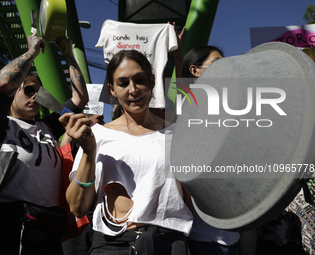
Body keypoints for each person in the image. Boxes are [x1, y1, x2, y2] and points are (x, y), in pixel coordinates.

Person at [66, 50, 193, 254]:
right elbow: (78, 207)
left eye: (140, 80)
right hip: (111, 245)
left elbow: (195, 196)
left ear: (152, 82)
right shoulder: (97, 136)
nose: (133, 90)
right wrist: (89, 152)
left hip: (169, 244)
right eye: (123, 83)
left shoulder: (178, 135)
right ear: (112, 89)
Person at [0, 33, 88, 254]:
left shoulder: (46, 127)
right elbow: (4, 82)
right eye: (28, 90)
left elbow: (80, 98)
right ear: (13, 93)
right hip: (5, 229)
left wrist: (69, 56)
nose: (35, 97)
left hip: (47, 227)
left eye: (38, 92)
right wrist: (32, 52)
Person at [180, 45, 241, 255]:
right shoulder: (187, 113)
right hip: (204, 236)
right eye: (217, 63)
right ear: (195, 71)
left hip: (233, 232)